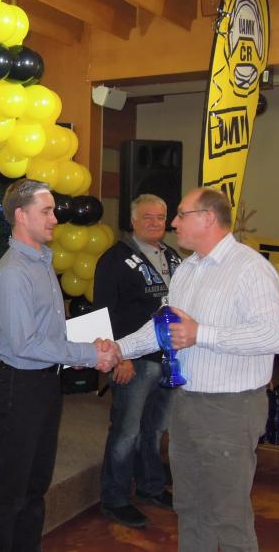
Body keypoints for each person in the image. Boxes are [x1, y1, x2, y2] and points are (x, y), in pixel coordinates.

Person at [110, 187, 279, 551]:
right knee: (190, 507)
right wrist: (117, 349)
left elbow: (273, 336)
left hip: (231, 407)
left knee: (228, 514)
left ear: (208, 218)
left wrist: (200, 334)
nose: (173, 223)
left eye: (181, 214)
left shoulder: (250, 269)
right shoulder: (187, 269)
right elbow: (163, 328)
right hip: (186, 402)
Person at [0, 179, 118, 552]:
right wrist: (88, 354)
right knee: (10, 488)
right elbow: (25, 343)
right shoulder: (13, 273)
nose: (55, 218)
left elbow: (50, 330)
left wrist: (81, 348)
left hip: (44, 383)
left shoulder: (41, 260)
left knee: (35, 484)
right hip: (19, 387)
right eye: (47, 211)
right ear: (21, 216)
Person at [94, 194, 181, 528]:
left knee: (155, 429)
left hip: (168, 359)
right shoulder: (114, 259)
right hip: (134, 361)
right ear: (132, 221)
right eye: (147, 217)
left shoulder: (173, 257)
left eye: (160, 217)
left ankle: (151, 487)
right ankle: (115, 499)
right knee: (126, 432)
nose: (155, 223)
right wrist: (120, 357)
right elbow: (104, 312)